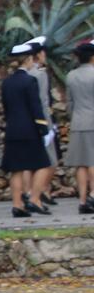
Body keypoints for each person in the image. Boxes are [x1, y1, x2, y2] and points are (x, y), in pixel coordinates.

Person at [1, 43, 52, 218]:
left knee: (17, 169)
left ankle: (17, 204)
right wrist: (43, 128)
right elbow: (35, 107)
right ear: (29, 59)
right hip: (29, 129)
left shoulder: (7, 82)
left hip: (13, 129)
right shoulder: (30, 80)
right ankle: (35, 198)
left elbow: (6, 108)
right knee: (44, 165)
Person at [25, 36, 59, 209]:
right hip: (41, 122)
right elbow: (43, 101)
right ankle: (36, 194)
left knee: (31, 163)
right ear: (38, 55)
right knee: (49, 161)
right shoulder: (40, 74)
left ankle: (32, 192)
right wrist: (49, 124)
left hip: (27, 123)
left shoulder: (25, 75)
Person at [69, 39, 94, 214]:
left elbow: (70, 103)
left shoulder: (71, 75)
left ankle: (83, 200)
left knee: (81, 163)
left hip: (77, 122)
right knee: (93, 160)